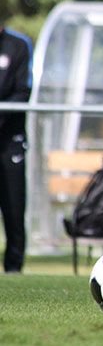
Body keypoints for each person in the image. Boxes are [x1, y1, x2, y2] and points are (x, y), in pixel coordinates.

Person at [0, 24, 33, 273]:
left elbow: (23, 91)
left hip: (10, 141)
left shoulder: (18, 45)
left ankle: (14, 270)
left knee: (13, 210)